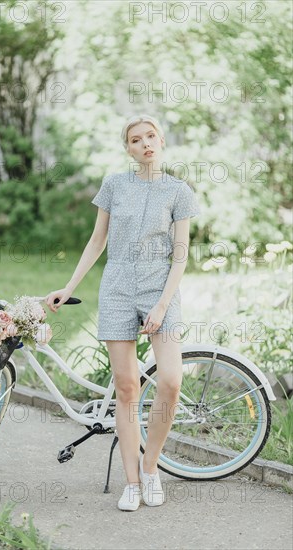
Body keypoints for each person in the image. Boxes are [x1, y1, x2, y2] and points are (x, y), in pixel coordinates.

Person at [45, 114, 201, 511]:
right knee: (128, 387)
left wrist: (162, 304)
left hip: (159, 291)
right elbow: (97, 241)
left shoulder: (179, 192)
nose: (145, 143)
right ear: (128, 148)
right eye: (136, 139)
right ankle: (131, 482)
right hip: (116, 290)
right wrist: (70, 287)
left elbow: (180, 255)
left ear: (162, 140)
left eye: (150, 136)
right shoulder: (114, 185)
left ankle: (151, 468)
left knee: (170, 380)